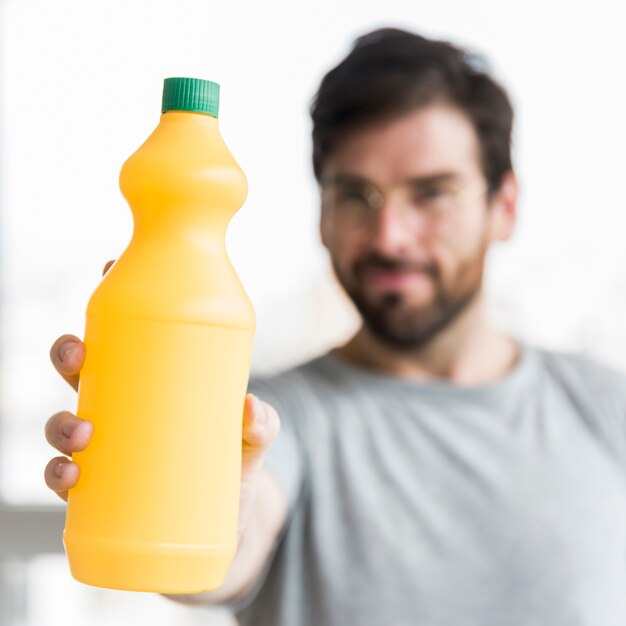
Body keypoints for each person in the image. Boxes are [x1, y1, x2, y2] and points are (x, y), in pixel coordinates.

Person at [44, 27, 626, 626]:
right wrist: (198, 510)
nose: (390, 236)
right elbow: (238, 531)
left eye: (431, 193)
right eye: (356, 195)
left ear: (504, 206)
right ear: (322, 215)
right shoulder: (273, 418)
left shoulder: (608, 410)